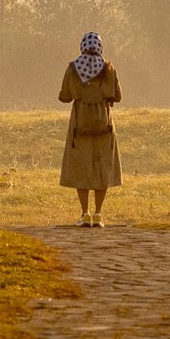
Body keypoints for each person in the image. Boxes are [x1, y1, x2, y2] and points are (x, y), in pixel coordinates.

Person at [58, 30, 122, 226]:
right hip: (104, 128)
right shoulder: (109, 69)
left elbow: (64, 96)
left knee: (82, 170)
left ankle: (84, 213)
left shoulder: (72, 69)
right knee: (102, 169)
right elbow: (117, 96)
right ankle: (98, 214)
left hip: (80, 127)